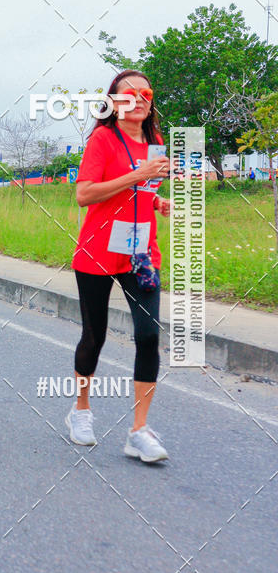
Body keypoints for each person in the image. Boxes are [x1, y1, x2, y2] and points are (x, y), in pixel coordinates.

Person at [66, 70, 172, 463]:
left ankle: (138, 431)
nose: (139, 99)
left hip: (141, 253)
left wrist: (156, 201)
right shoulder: (102, 139)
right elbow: (84, 194)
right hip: (98, 252)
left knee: (147, 336)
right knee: (95, 337)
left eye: (145, 92)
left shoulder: (156, 143)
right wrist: (136, 175)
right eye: (128, 94)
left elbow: (145, 191)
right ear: (113, 102)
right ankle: (80, 410)